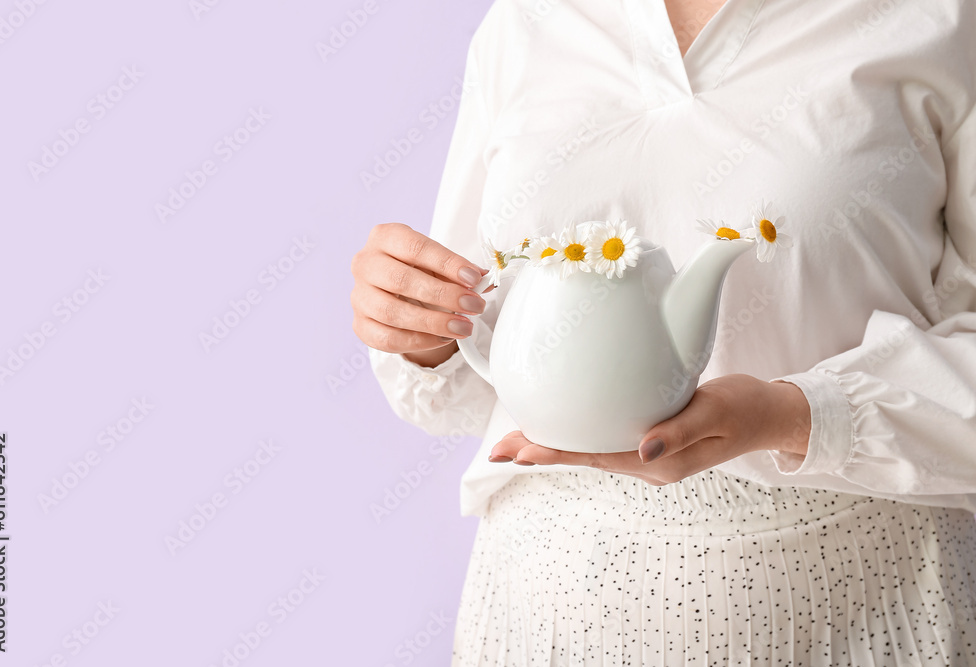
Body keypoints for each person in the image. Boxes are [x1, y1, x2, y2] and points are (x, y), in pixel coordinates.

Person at [351, 0, 976, 663]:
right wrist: (420, 325)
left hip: (866, 610)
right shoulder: (526, 20)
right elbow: (468, 363)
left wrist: (801, 415)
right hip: (541, 618)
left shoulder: (940, 18)